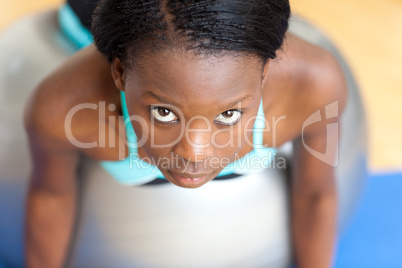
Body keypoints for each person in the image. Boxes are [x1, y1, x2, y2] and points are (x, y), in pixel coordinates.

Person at [24, 0, 347, 267]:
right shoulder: (62, 110)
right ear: (120, 72)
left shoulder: (317, 87)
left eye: (228, 114)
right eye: (163, 113)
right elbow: (51, 194)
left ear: (264, 74)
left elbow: (316, 193)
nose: (194, 154)